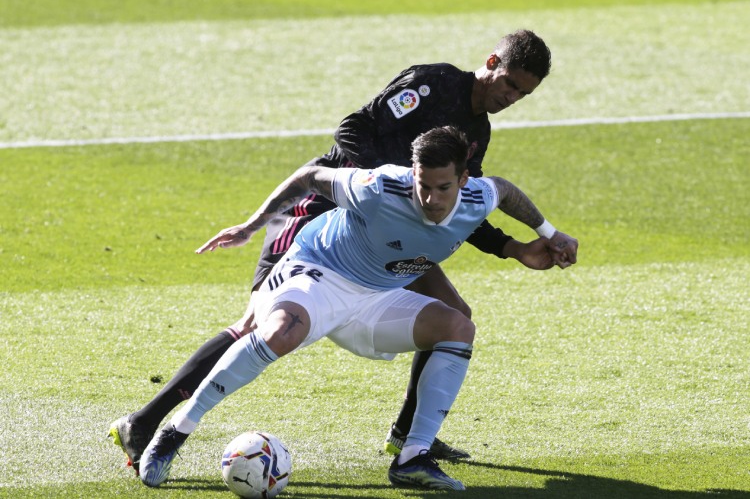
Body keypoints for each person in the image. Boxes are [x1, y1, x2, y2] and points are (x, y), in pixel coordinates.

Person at [109, 29, 579, 473]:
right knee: (257, 322)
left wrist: (511, 247)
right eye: (510, 84)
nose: (512, 98)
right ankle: (145, 422)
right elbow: (352, 129)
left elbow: (458, 204)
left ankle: (407, 437)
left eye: (523, 94)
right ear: (492, 63)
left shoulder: (478, 133)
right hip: (323, 211)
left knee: (456, 314)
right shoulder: (434, 85)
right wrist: (391, 192)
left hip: (392, 229)